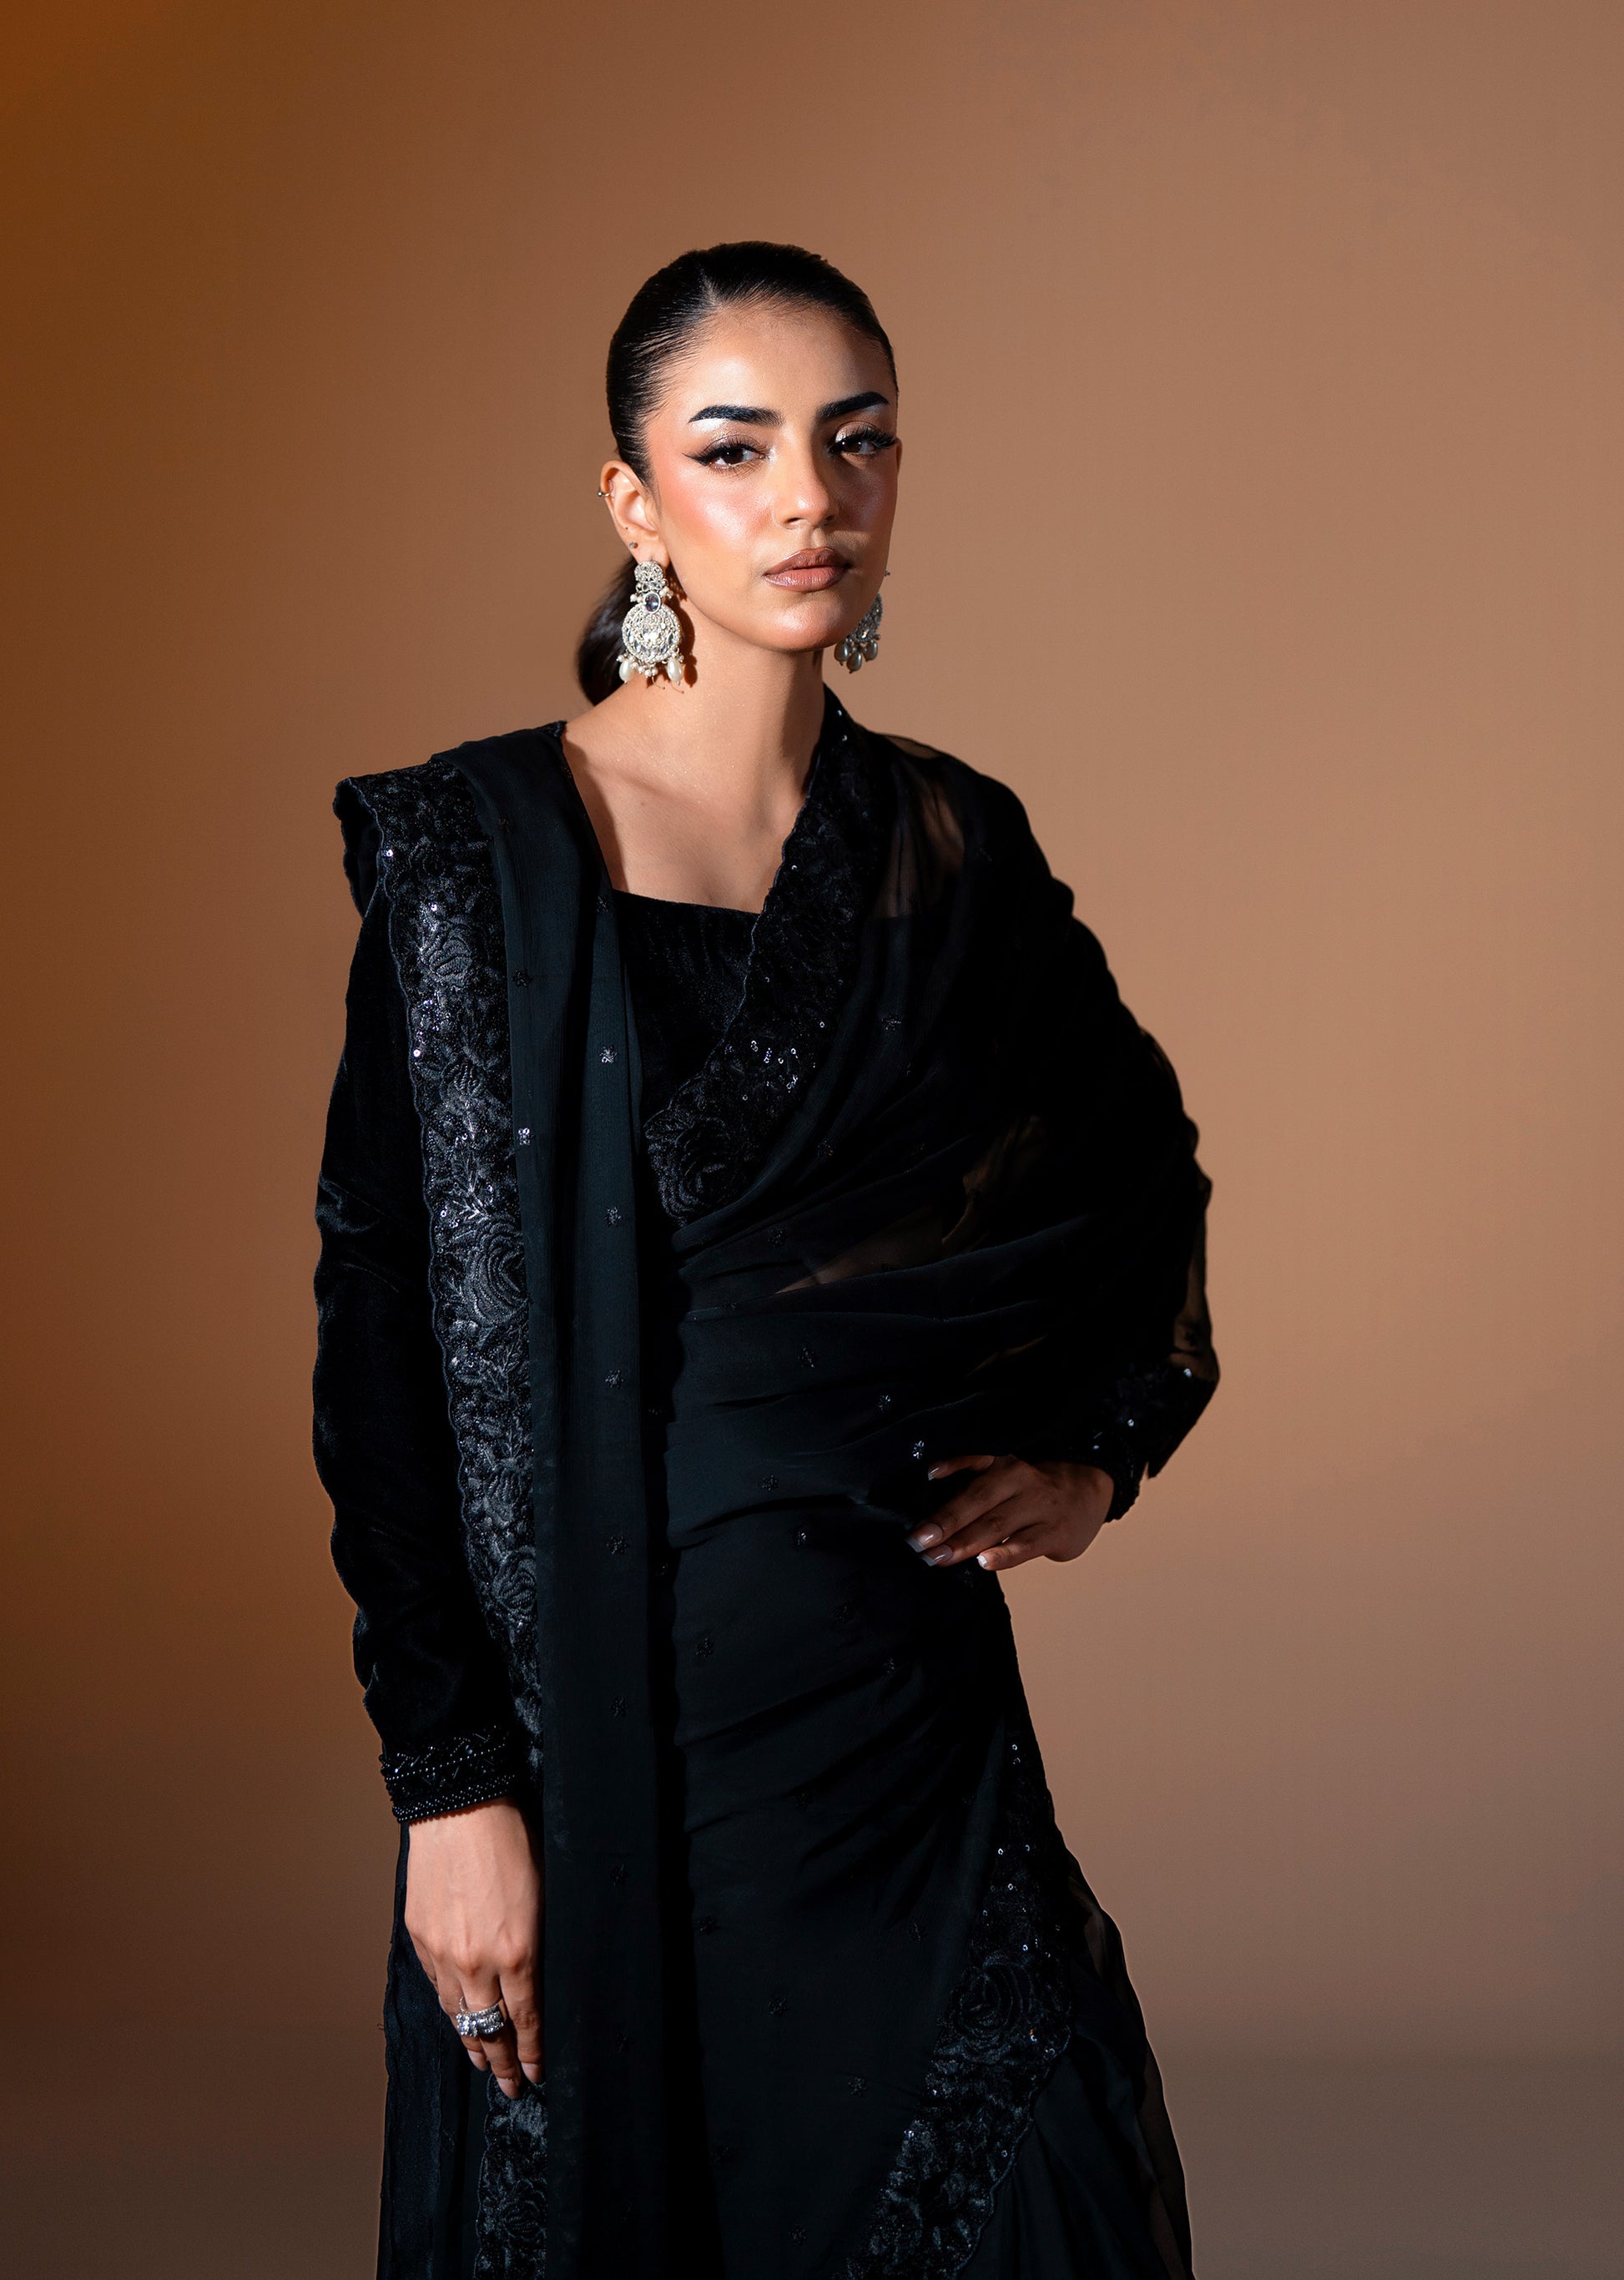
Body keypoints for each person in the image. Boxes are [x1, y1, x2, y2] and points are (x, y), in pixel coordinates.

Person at [314, 240, 1218, 2280]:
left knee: (1027, 2188)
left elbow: (1131, 1170)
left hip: (895, 1714)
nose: (809, 496)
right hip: (599, 1733)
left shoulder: (951, 850)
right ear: (635, 502)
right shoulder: (477, 858)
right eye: (736, 451)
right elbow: (384, 1340)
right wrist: (450, 1788)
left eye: (855, 441)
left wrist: (1096, 1450)